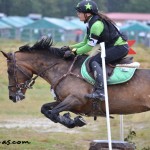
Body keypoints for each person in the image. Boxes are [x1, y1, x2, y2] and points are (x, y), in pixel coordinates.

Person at [63, 0, 129, 101]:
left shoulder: (96, 25)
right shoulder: (91, 23)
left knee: (94, 61)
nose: (77, 14)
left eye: (79, 12)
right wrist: (69, 47)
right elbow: (84, 43)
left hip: (119, 48)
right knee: (92, 59)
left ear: (88, 14)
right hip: (114, 47)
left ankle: (101, 91)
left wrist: (74, 52)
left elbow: (89, 47)